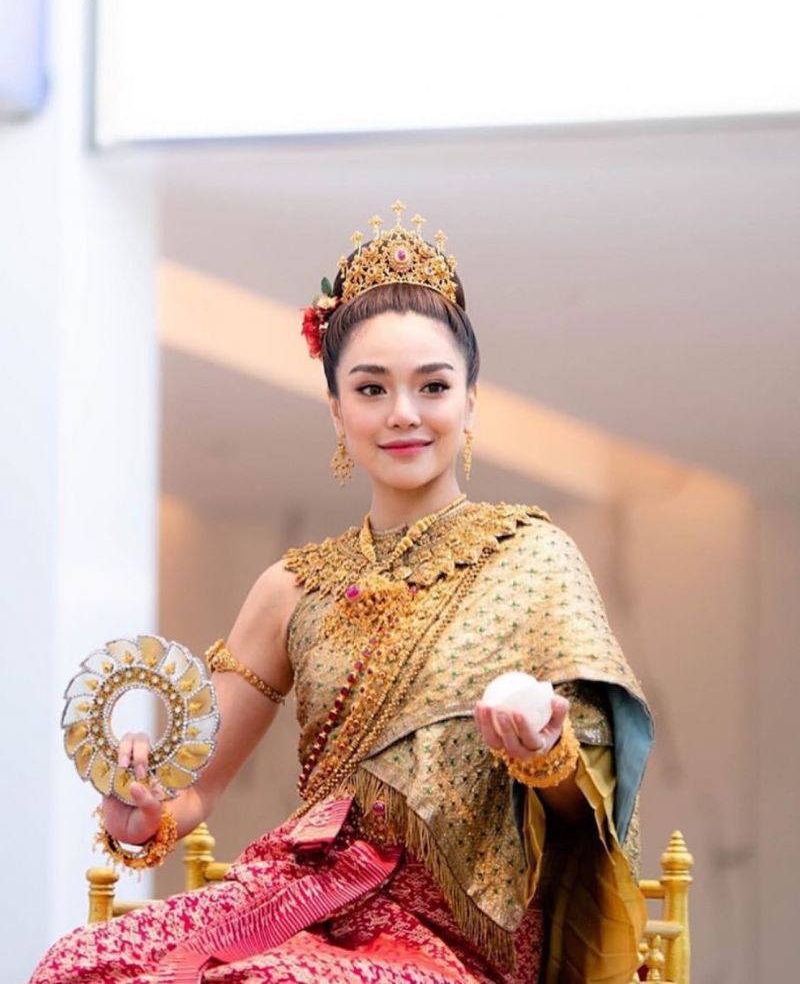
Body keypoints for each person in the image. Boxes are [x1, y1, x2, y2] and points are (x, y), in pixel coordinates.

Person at [31, 202, 653, 984]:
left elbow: (592, 804)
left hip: (455, 934)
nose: (403, 414)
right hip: (299, 897)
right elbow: (191, 795)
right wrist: (144, 814)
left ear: (470, 400)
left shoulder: (532, 558)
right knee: (77, 962)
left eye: (433, 386)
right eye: (371, 388)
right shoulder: (292, 588)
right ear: (336, 409)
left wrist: (542, 755)